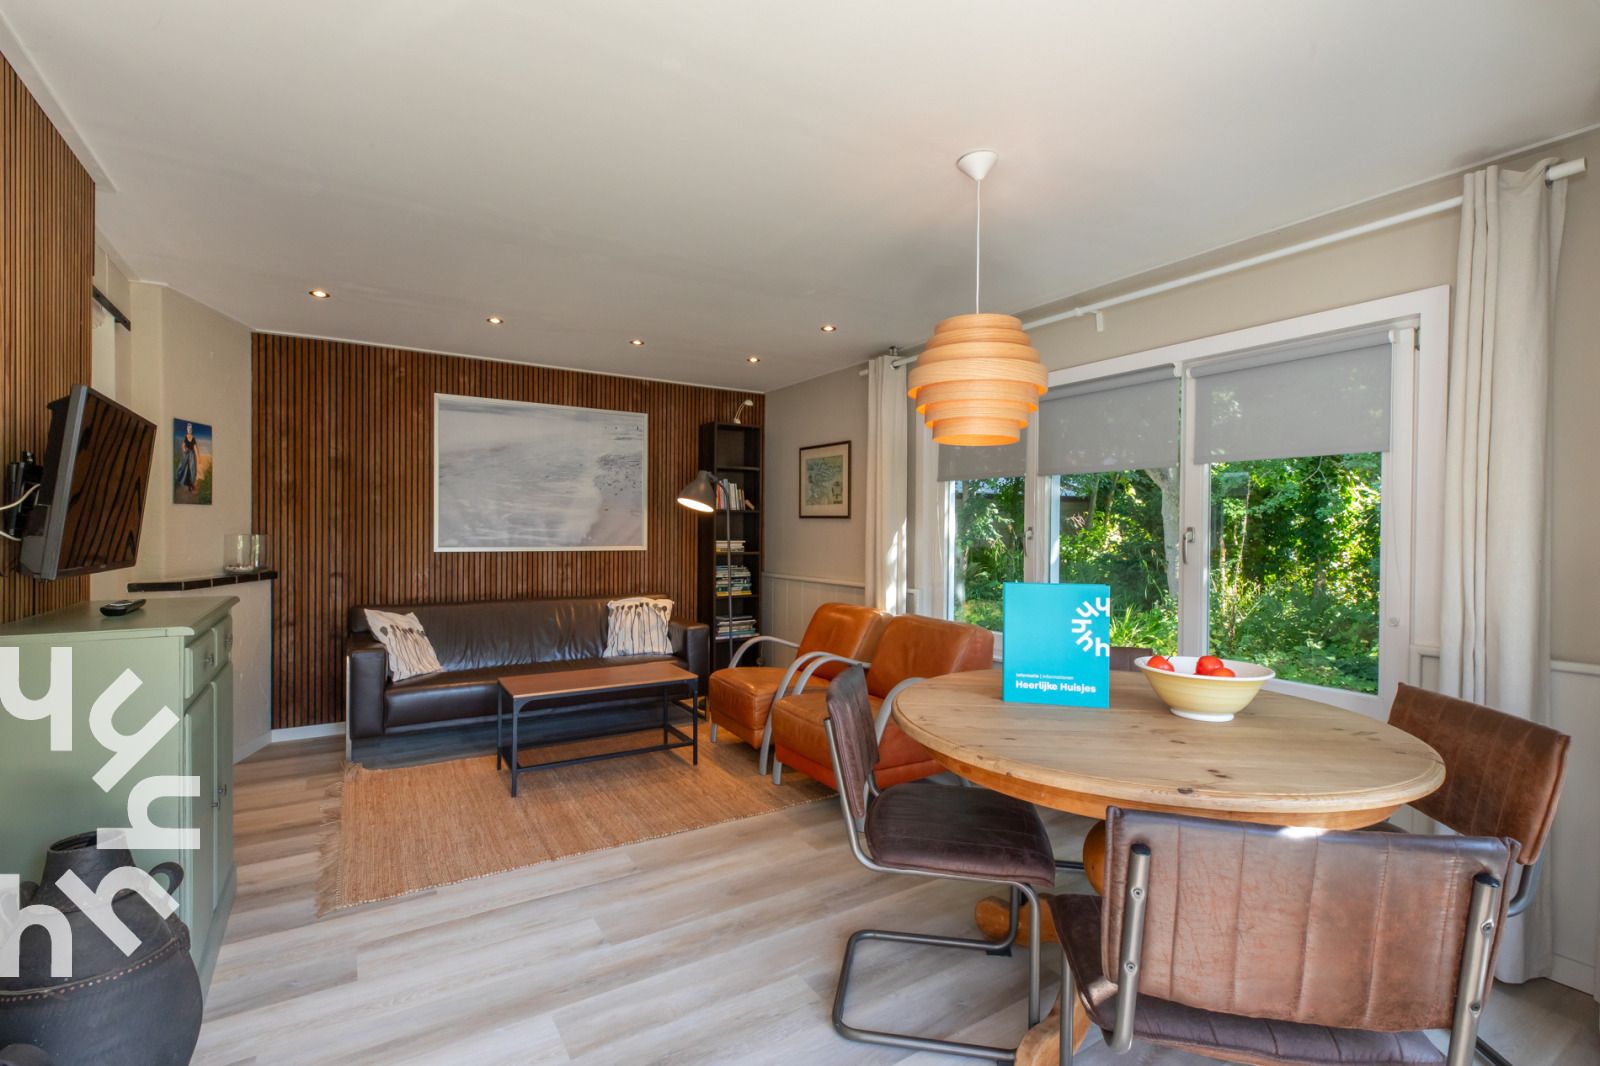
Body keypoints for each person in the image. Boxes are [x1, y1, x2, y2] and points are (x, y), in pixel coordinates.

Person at [176, 423, 198, 491]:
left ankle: (192, 485)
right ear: (187, 430)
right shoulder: (185, 437)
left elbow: (195, 448)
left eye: (190, 429)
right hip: (186, 454)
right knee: (183, 466)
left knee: (192, 468)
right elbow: (183, 445)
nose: (189, 430)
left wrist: (198, 457)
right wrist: (184, 450)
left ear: (191, 430)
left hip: (191, 454)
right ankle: (181, 480)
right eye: (188, 429)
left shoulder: (193, 438)